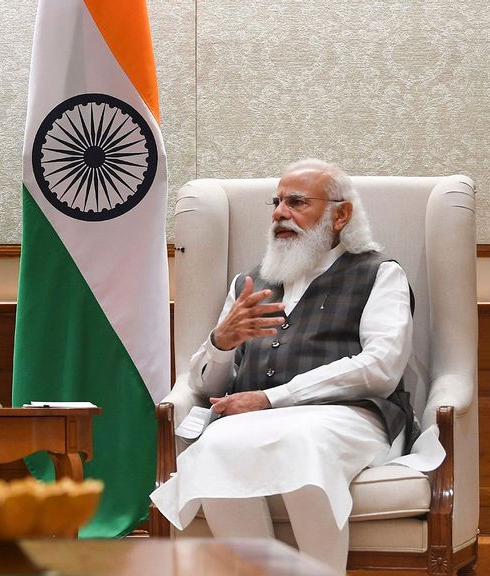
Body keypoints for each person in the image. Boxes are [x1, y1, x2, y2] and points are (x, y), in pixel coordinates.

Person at [150, 158, 416, 574]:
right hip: (254, 419)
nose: (279, 213)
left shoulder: (379, 273)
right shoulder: (251, 284)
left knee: (301, 441)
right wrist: (221, 342)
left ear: (340, 214)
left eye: (295, 202)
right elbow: (205, 384)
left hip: (352, 415)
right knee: (216, 445)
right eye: (276, 202)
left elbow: (380, 368)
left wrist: (273, 398)